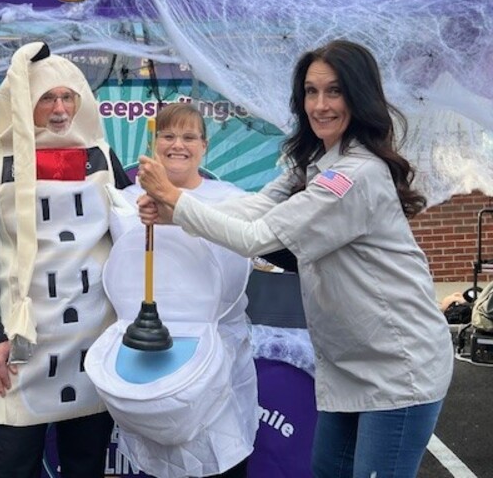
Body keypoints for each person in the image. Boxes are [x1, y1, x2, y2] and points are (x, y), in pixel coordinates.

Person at [136, 40, 454, 478]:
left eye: (334, 91)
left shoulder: (353, 177)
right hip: (347, 365)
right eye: (311, 91)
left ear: (359, 96)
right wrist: (173, 215)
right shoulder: (314, 164)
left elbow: (254, 237)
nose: (319, 105)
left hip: (397, 369)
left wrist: (172, 197)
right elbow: (251, 210)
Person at [0, 41, 132, 478]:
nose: (59, 110)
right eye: (46, 99)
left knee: (86, 461)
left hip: (91, 338)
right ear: (26, 105)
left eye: (67, 97)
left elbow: (132, 234)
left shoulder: (103, 159)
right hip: (22, 341)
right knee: (13, 462)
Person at [103, 102, 257, 478]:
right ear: (155, 144)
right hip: (151, 355)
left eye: (189, 137)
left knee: (222, 456)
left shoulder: (232, 200)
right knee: (162, 461)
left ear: (204, 146)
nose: (178, 145)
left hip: (219, 356)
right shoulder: (124, 202)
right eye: (168, 136)